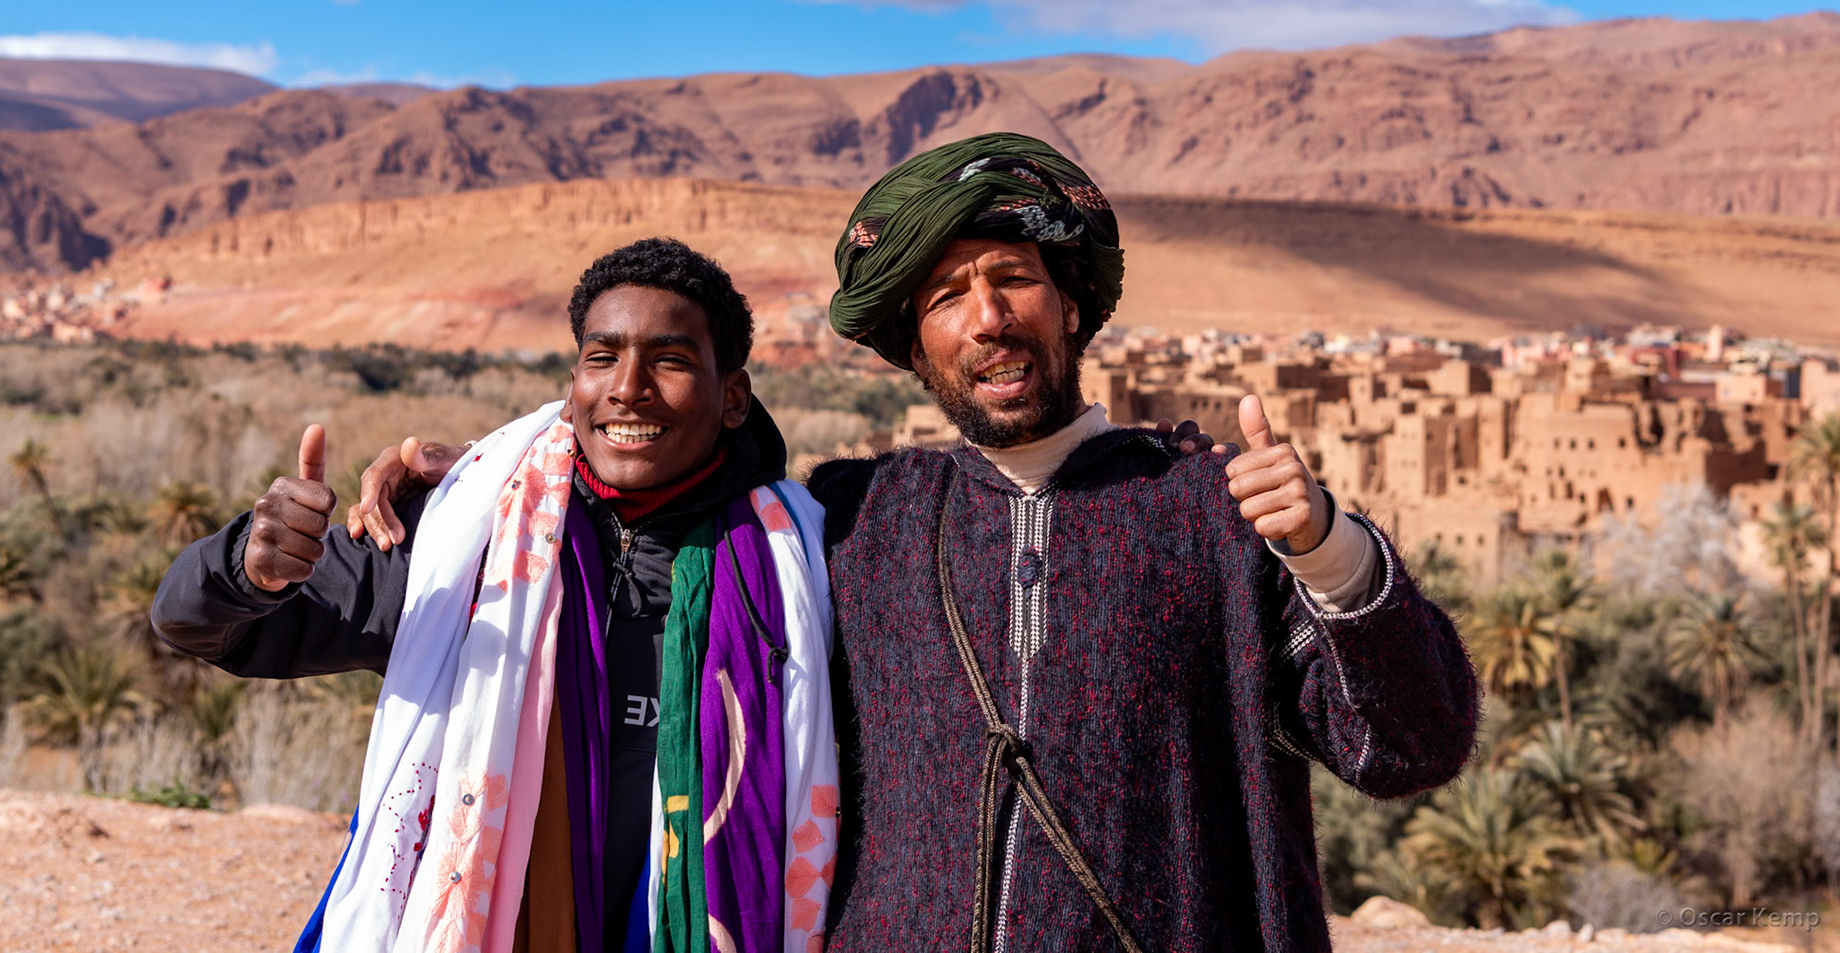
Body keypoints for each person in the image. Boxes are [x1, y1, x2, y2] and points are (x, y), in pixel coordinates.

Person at [351, 134, 1479, 952]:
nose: (986, 316)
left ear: (1071, 307)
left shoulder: (1211, 515)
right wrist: (493, 482)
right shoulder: (849, 520)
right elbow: (662, 499)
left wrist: (1334, 555)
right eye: (946, 295)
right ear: (915, 344)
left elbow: (1410, 751)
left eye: (1012, 280)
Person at [151, 238, 838, 953]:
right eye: (603, 357)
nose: (628, 386)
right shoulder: (463, 537)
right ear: (573, 383)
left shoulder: (804, 569)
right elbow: (198, 625)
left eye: (669, 359)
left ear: (733, 397)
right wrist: (248, 566)